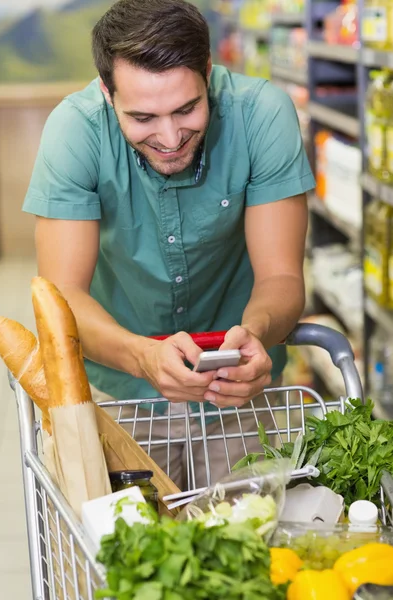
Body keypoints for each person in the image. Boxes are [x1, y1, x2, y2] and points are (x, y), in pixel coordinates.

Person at [23, 0, 315, 489]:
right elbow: (62, 298)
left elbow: (282, 277)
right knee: (126, 559)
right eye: (142, 118)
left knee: (253, 552)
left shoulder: (262, 115)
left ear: (207, 72)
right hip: (120, 398)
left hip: (240, 400)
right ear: (106, 93)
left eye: (187, 108)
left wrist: (257, 334)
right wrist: (141, 357)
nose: (170, 136)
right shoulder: (74, 131)